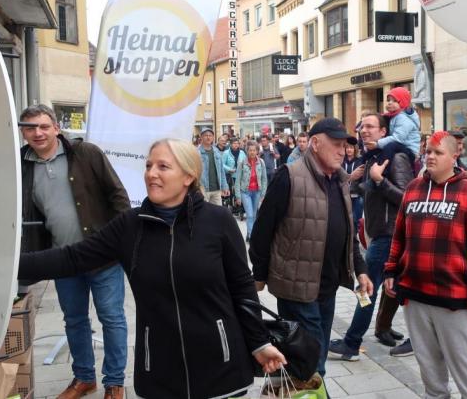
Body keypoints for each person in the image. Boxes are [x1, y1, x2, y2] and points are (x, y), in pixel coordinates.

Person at [18, 139, 286, 399]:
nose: (151, 174)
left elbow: (242, 288)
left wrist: (260, 343)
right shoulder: (130, 226)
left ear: (188, 177)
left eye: (163, 167)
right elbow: (72, 258)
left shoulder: (219, 221)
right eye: (148, 166)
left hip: (219, 359)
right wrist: (8, 266)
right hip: (159, 366)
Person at [18, 104, 130, 399]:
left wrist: (122, 242)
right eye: (30, 127)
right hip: (61, 259)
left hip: (102, 256)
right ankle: (84, 378)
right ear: (22, 131)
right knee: (74, 319)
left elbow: (118, 195)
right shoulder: (21, 164)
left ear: (56, 127)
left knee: (112, 318)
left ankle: (115, 381)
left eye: (43, 126)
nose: (38, 133)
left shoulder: (86, 153)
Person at [250, 118, 373, 379]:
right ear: (315, 144)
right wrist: (259, 275)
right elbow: (262, 230)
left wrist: (360, 270)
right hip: (296, 289)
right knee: (312, 364)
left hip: (326, 287)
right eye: (337, 144)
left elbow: (348, 233)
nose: (343, 151)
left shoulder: (340, 180)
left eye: (346, 145)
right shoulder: (289, 176)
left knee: (314, 358)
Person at [383, 131, 467, 399]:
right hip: (416, 295)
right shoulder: (413, 189)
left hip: (455, 299)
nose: (430, 156)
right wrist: (391, 269)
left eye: (438, 152)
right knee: (430, 373)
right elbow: (399, 235)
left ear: (454, 156)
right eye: (427, 151)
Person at [328, 112, 414, 361]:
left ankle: (352, 343)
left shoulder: (395, 158)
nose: (364, 131)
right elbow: (364, 192)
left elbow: (408, 199)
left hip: (389, 235)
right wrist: (358, 181)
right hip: (378, 234)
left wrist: (378, 181)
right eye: (361, 126)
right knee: (392, 287)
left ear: (384, 132)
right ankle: (386, 330)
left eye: (370, 127)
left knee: (366, 290)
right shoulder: (373, 158)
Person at [363, 87, 420, 167]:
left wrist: (378, 144)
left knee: (390, 146)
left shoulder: (403, 118)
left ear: (403, 103)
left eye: (394, 101)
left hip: (409, 151)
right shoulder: (394, 116)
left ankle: (382, 169)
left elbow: (398, 138)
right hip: (401, 146)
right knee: (377, 149)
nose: (389, 103)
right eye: (388, 100)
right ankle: (362, 162)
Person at [234, 140, 267, 242]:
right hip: (245, 192)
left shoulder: (261, 162)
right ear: (247, 151)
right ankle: (251, 235)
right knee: (250, 214)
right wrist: (238, 196)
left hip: (257, 191)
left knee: (254, 214)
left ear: (257, 151)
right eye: (250, 150)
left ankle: (250, 233)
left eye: (254, 150)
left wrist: (263, 193)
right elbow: (237, 180)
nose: (252, 152)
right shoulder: (242, 163)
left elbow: (264, 179)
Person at [197, 128, 230, 206]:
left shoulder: (216, 151)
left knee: (217, 214)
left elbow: (221, 170)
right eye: (206, 135)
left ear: (213, 137)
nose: (208, 137)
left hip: (216, 189)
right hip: (203, 189)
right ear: (201, 137)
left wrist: (225, 186)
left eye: (210, 135)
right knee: (204, 214)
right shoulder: (196, 152)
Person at [341, 142, 365, 235]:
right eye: (347, 148)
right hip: (344, 195)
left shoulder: (360, 161)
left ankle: (354, 240)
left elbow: (362, 178)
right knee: (345, 219)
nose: (349, 150)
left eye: (351, 148)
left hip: (357, 195)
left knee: (355, 220)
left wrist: (360, 190)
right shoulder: (341, 161)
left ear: (355, 149)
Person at [223, 138, 247, 219]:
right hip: (231, 176)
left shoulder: (242, 153)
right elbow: (222, 164)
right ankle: (233, 208)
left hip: (241, 176)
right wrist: (229, 169)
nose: (236, 145)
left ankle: (241, 209)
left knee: (240, 192)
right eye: (234, 143)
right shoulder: (226, 153)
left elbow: (246, 162)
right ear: (230, 144)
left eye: (237, 143)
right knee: (232, 193)